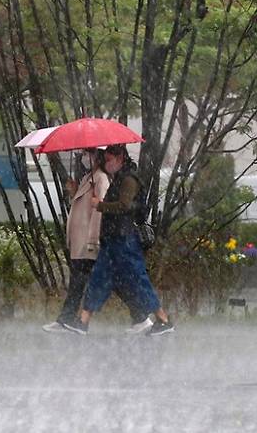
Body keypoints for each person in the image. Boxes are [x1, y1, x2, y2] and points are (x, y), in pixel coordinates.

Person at [63, 144, 174, 336]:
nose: (106, 163)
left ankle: (163, 319)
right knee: (99, 279)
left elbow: (124, 206)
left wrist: (101, 205)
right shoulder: (119, 179)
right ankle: (83, 320)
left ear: (120, 157)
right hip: (113, 240)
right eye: (105, 160)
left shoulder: (129, 179)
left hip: (125, 241)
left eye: (109, 160)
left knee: (138, 280)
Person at [42, 149, 154, 335]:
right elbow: (85, 205)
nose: (86, 158)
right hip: (82, 241)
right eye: (86, 154)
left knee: (91, 281)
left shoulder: (100, 178)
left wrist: (94, 239)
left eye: (90, 154)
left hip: (89, 241)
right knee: (106, 281)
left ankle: (68, 320)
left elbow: (100, 211)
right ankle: (140, 316)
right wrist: (74, 191)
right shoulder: (89, 177)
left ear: (99, 157)